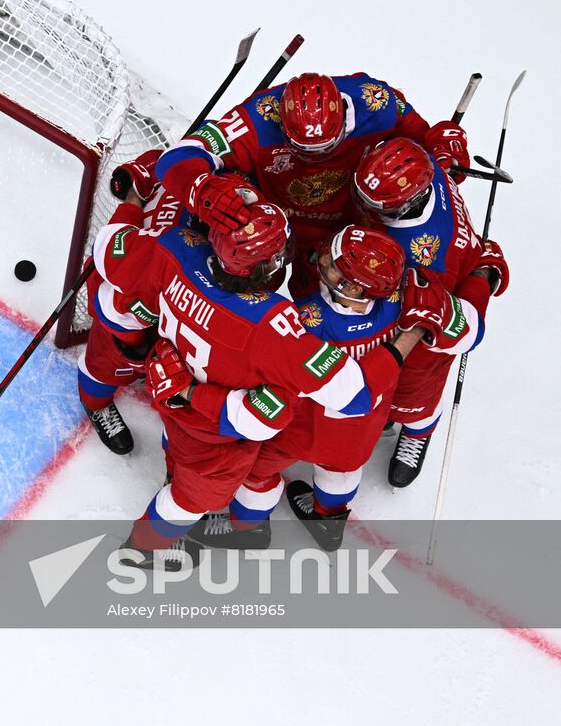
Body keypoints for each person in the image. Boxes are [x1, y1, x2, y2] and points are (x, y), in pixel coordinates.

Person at [88, 184, 436, 569]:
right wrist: (412, 334)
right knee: (188, 500)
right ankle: (142, 550)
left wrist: (136, 199)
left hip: (169, 392)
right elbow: (352, 393)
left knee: (183, 458)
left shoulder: (176, 245)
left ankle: (180, 482)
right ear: (268, 266)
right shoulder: (272, 327)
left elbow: (108, 248)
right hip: (213, 435)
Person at [206, 225, 487, 550]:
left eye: (330, 263)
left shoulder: (303, 318)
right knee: (341, 473)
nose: (320, 259)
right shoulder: (405, 297)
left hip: (299, 429)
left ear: (352, 286)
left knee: (254, 472)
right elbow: (471, 334)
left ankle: (249, 528)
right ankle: (328, 523)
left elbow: (267, 369)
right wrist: (464, 290)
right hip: (359, 433)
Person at [152, 72, 471, 296]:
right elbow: (178, 157)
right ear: (283, 124)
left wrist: (446, 147)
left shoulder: (377, 101)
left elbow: (418, 154)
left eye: (326, 147)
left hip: (346, 235)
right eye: (303, 149)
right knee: (247, 295)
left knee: (325, 317)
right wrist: (202, 187)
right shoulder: (260, 116)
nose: (315, 159)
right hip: (270, 228)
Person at [352, 137, 510, 486]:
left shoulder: (422, 257)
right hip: (416, 296)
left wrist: (462, 296)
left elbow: (466, 329)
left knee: (415, 392)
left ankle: (418, 432)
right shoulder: (433, 171)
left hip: (424, 331)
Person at [76, 150, 182, 454]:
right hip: (129, 315)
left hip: (172, 309)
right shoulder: (143, 244)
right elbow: (102, 270)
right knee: (109, 364)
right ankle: (96, 402)